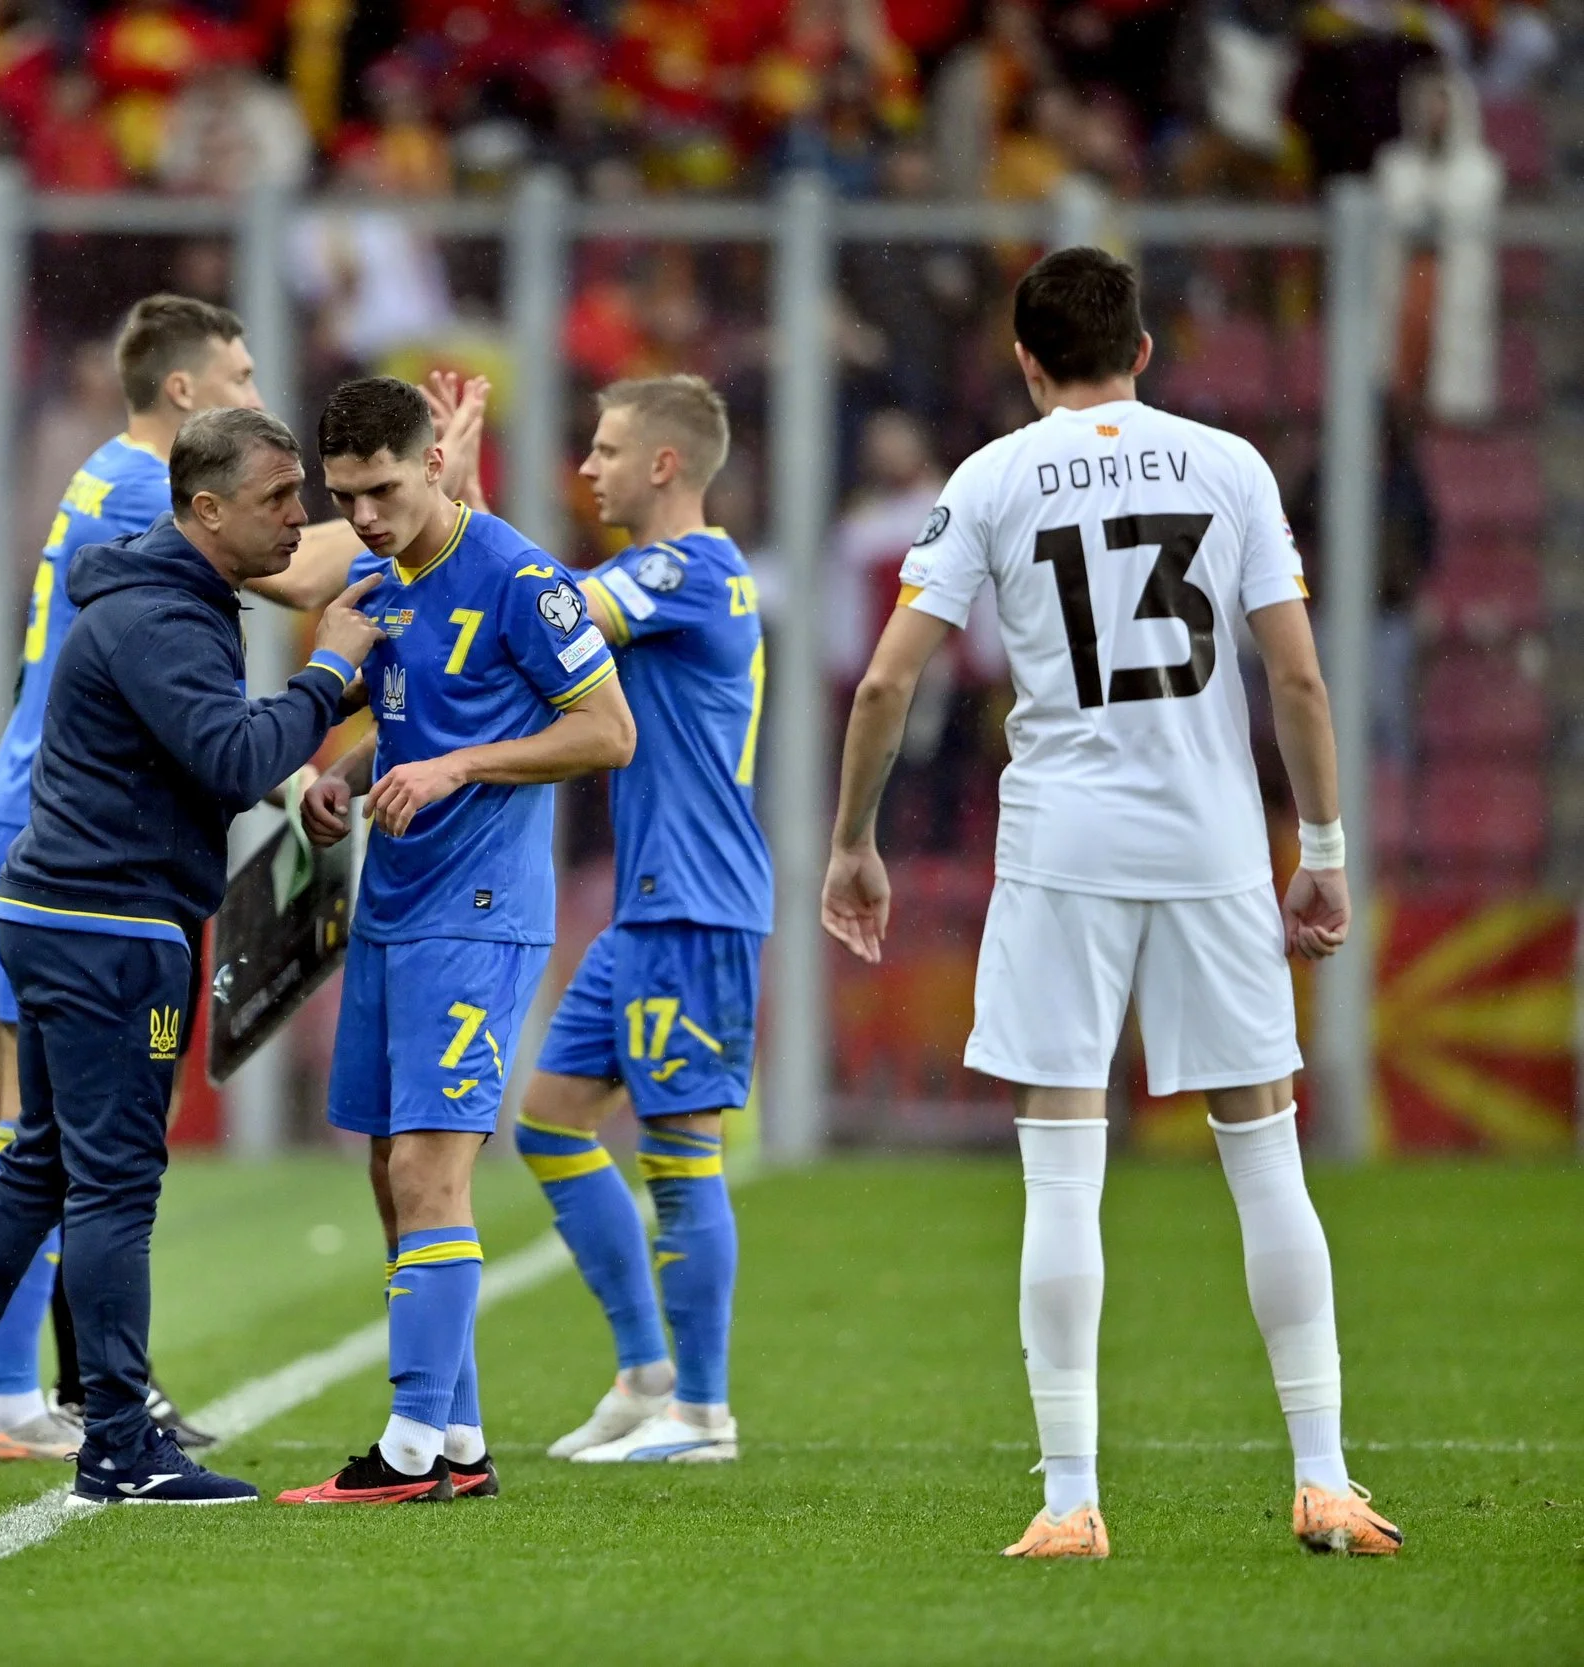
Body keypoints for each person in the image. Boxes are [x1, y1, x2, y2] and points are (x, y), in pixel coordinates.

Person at [821, 248, 1401, 1560]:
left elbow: (883, 686)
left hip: (1064, 848)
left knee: (1063, 1175)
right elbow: (1299, 684)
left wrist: (854, 840)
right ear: (1145, 351)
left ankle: (1071, 1494)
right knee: (1265, 1160)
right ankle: (1324, 1476)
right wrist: (1321, 846)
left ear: (1025, 362)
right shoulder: (1230, 464)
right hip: (1209, 845)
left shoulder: (989, 477)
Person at [0, 407, 385, 1510]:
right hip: (111, 925)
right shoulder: (164, 614)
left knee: (43, 1163)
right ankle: (118, 1441)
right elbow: (233, 754)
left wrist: (296, 756)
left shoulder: (156, 597)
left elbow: (201, 751)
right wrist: (329, 673)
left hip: (70, 911)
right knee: (112, 1184)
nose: (303, 518)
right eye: (278, 498)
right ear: (202, 509)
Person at [282, 376, 635, 1505]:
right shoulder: (379, 585)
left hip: (480, 911)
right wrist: (335, 779)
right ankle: (457, 1441)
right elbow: (403, 724)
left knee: (434, 1169)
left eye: (381, 489)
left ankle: (401, 1450)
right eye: (346, 496)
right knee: (393, 1171)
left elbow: (606, 731)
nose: (366, 516)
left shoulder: (525, 582)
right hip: (392, 902)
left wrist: (454, 768)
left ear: (435, 461)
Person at [517, 375, 770, 1465]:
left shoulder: (685, 568)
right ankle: (644, 1372)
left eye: (607, 446)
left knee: (679, 1145)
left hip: (695, 903)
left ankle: (704, 1412)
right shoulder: (664, 571)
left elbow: (557, 619)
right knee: (548, 1117)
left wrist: (451, 536)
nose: (589, 465)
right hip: (649, 905)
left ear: (665, 465)